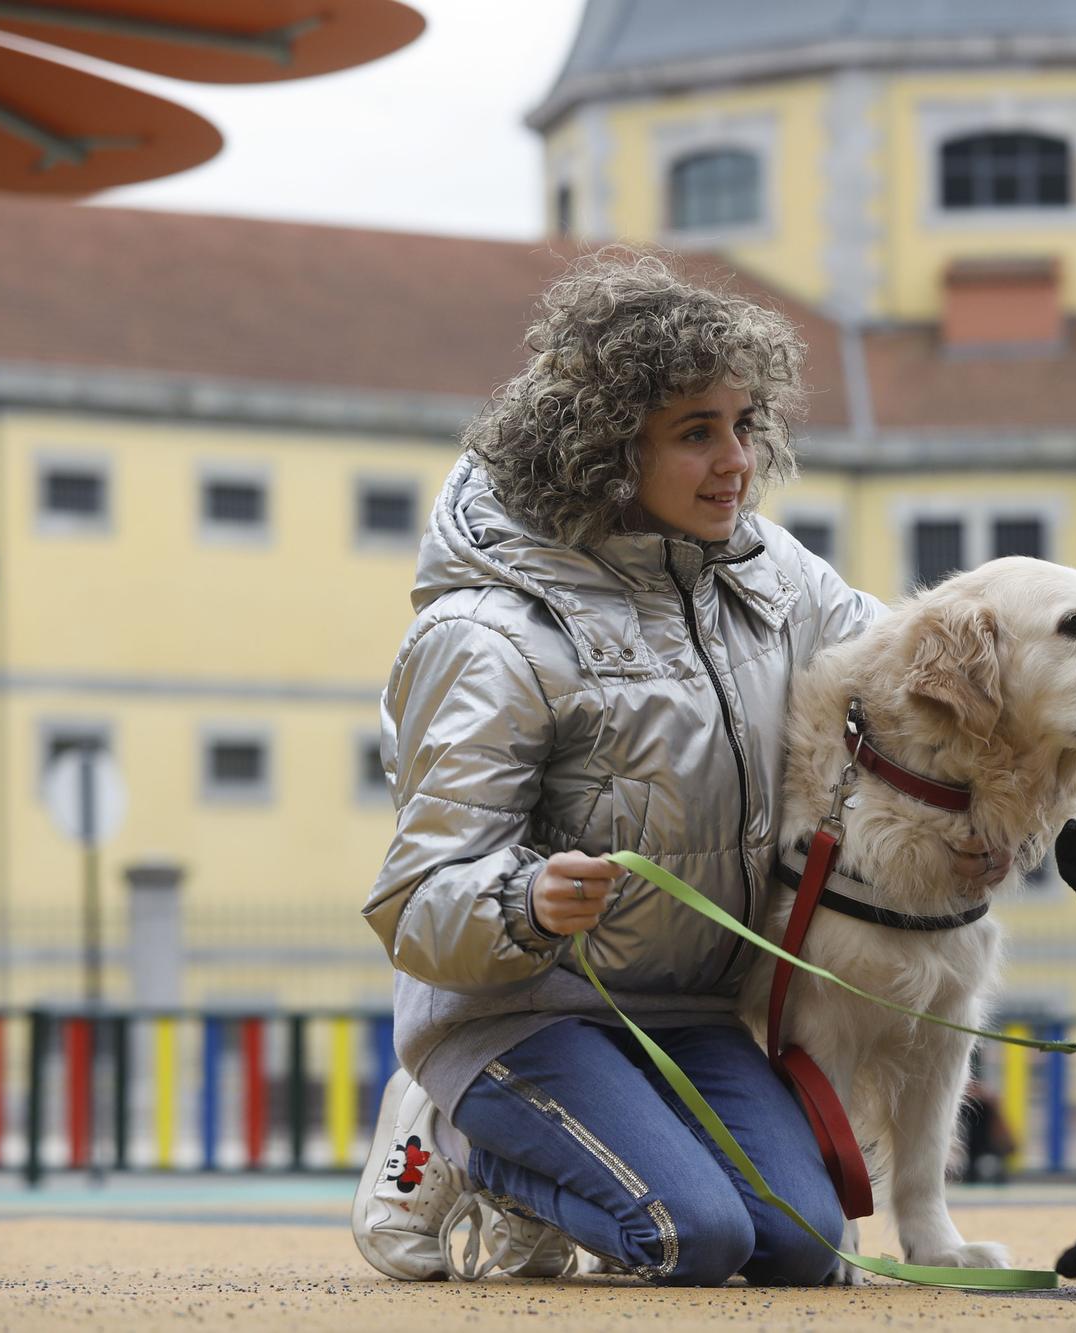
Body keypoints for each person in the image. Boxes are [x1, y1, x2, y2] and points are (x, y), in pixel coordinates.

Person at [351, 251, 1007, 1285]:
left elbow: (897, 694)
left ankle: (569, 1162)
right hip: (520, 1011)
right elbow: (413, 900)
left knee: (800, 1248)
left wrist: (975, 804)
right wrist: (524, 898)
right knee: (688, 1237)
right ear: (605, 452)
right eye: (695, 433)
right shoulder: (491, 634)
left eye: (744, 424)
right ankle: (469, 1143)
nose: (736, 460)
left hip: (695, 1010)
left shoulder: (774, 573)